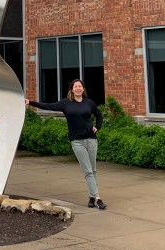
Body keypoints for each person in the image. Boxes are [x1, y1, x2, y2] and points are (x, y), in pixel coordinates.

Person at [25, 79, 106, 209]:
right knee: (88, 170)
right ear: (72, 89)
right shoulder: (65, 103)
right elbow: (48, 106)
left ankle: (91, 197)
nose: (78, 88)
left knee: (93, 170)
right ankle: (98, 198)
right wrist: (30, 102)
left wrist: (97, 127)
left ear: (83, 89)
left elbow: (99, 115)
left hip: (91, 140)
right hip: (77, 141)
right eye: (76, 86)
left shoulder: (89, 103)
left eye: (80, 86)